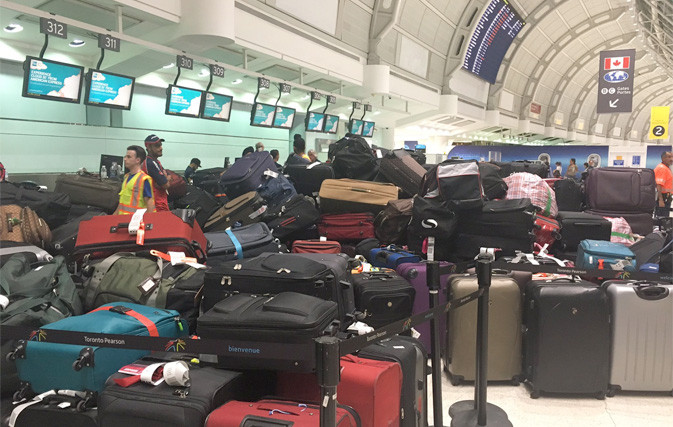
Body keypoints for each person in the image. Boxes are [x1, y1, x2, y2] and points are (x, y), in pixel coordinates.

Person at [115, 145, 155, 215]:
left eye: (129, 157)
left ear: (138, 160)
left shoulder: (144, 179)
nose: (125, 159)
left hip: (136, 221)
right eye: (125, 156)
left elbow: (149, 203)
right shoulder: (126, 177)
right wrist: (113, 218)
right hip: (122, 221)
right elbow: (122, 203)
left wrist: (149, 221)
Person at [141, 134, 171, 211]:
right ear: (148, 147)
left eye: (160, 145)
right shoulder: (150, 163)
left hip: (159, 203)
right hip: (157, 205)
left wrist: (165, 178)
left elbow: (169, 176)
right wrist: (165, 179)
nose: (161, 148)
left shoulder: (156, 162)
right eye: (157, 146)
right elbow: (166, 185)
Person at [654, 151, 673, 218]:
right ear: (663, 159)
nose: (671, 159)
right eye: (669, 157)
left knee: (665, 218)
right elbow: (659, 185)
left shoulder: (666, 168)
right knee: (662, 219)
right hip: (663, 197)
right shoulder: (662, 168)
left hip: (666, 197)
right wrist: (661, 200)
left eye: (672, 157)